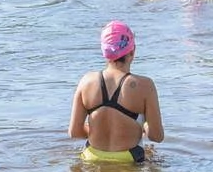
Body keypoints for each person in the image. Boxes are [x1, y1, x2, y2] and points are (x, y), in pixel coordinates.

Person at [68, 22, 164, 163]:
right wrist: (144, 126)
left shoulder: (86, 81)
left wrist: (99, 131)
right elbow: (157, 136)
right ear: (133, 51)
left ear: (104, 52)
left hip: (91, 157)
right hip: (128, 159)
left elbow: (74, 132)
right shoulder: (145, 86)